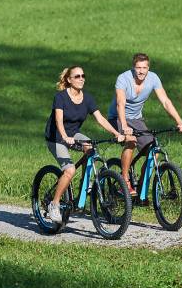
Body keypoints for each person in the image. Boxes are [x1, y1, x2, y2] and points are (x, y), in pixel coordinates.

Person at [44, 65, 125, 223]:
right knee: (69, 169)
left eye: (83, 76)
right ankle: (54, 205)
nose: (81, 79)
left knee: (91, 149)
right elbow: (58, 120)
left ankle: (84, 186)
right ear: (69, 80)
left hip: (73, 134)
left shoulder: (87, 98)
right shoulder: (60, 97)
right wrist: (65, 137)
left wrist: (116, 133)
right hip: (56, 137)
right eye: (77, 76)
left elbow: (100, 118)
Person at [107, 53, 182, 195]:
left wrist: (179, 121)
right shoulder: (123, 78)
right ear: (133, 67)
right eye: (138, 67)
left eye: (144, 68)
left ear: (148, 68)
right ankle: (124, 182)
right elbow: (121, 103)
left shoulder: (153, 78)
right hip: (117, 118)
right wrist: (125, 127)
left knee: (154, 151)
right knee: (131, 142)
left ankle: (142, 188)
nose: (141, 71)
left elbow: (165, 101)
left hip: (136, 119)